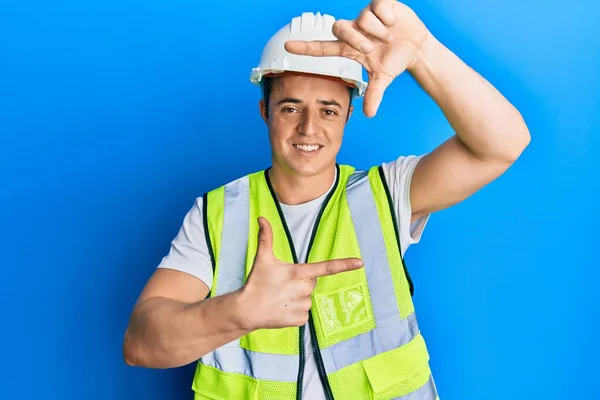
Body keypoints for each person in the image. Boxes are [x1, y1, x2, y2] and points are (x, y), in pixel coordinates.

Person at [123, 1, 530, 399]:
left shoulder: (388, 193)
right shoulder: (217, 214)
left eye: (329, 110)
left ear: (348, 115)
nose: (309, 128)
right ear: (265, 111)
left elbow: (502, 145)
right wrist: (237, 312)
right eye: (290, 107)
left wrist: (422, 51)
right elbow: (140, 344)